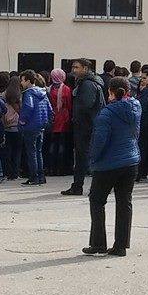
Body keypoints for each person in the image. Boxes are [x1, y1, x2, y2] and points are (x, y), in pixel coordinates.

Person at [83, 77, 141, 257]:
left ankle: (98, 243)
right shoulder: (136, 108)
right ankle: (121, 245)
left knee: (97, 200)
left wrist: (92, 158)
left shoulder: (106, 114)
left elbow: (100, 140)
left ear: (110, 92)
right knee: (124, 202)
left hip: (108, 163)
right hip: (130, 160)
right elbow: (136, 133)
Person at [63, 60, 105, 196]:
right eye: (73, 67)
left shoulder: (87, 84)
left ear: (85, 68)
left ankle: (80, 186)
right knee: (86, 157)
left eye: (76, 67)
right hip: (88, 126)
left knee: (83, 157)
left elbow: (86, 105)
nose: (73, 70)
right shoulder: (87, 82)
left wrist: (78, 119)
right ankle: (79, 186)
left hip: (86, 127)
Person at [19, 69, 51, 186]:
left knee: (31, 152)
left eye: (22, 80)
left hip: (30, 126)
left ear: (27, 81)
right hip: (41, 125)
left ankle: (33, 177)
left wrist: (22, 121)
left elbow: (28, 107)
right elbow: (49, 109)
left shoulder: (28, 93)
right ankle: (41, 176)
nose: (21, 83)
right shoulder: (43, 92)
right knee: (38, 152)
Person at [47, 69, 72, 177]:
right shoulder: (66, 89)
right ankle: (61, 169)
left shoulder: (49, 89)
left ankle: (51, 168)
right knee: (62, 144)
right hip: (63, 117)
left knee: (52, 144)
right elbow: (69, 105)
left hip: (53, 117)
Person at [1, 77, 23, 181]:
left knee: (8, 151)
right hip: (18, 127)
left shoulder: (4, 95)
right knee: (17, 151)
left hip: (7, 127)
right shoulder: (20, 95)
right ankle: (16, 172)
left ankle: (8, 172)